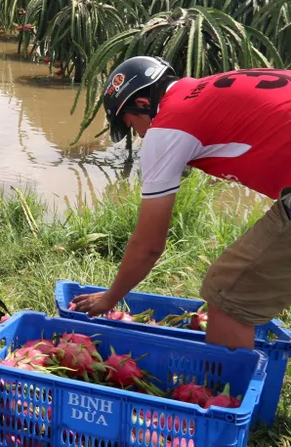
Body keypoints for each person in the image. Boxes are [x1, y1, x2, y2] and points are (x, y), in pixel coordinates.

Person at [72, 57, 291, 351]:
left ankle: (228, 382)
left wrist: (110, 298)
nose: (141, 136)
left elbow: (149, 245)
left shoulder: (167, 127)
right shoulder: (209, 89)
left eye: (133, 125)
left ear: (143, 103)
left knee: (227, 293)